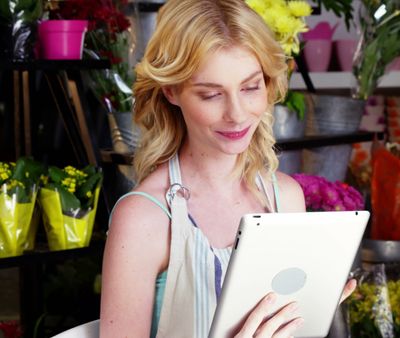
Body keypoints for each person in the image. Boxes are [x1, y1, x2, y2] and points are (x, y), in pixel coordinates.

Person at [99, 0, 356, 337]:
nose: (237, 114)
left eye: (250, 87)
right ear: (171, 91)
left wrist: (310, 314)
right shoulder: (144, 218)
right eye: (210, 94)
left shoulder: (285, 198)